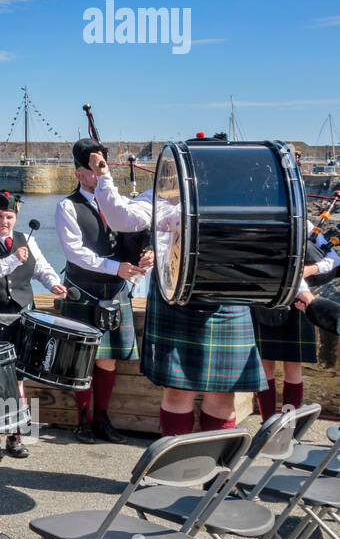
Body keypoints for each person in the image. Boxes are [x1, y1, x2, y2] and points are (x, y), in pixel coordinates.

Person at [89, 143, 264, 435]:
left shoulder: (240, 202)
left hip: (228, 297)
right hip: (177, 298)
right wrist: (104, 176)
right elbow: (121, 217)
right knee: (177, 392)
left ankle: (217, 473)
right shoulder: (164, 201)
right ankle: (173, 471)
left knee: (223, 397)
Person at [0, 191, 67, 459]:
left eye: (9, 217)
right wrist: (12, 260)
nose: (4, 221)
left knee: (18, 379)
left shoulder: (26, 240)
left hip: (19, 317)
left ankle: (15, 435)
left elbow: (41, 267)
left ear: (15, 218)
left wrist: (53, 283)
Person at [54, 138, 150, 444]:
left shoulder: (121, 203)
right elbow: (75, 253)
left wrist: (147, 253)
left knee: (108, 360)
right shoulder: (67, 206)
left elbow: (139, 235)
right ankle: (82, 421)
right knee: (83, 358)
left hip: (116, 290)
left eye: (102, 168)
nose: (98, 175)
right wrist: (115, 267)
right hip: (84, 289)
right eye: (93, 170)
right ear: (79, 173)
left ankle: (101, 419)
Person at [253, 221, 338, 416]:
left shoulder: (303, 223)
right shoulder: (256, 220)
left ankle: (288, 426)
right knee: (265, 367)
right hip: (265, 297)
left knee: (293, 366)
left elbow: (333, 258)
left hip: (296, 300)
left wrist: (310, 270)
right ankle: (268, 425)